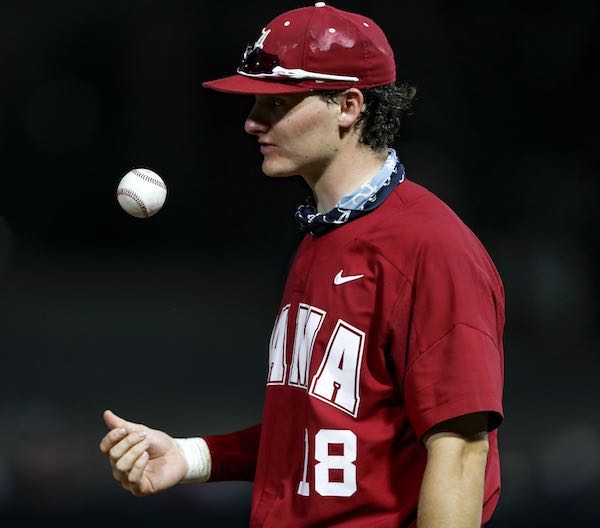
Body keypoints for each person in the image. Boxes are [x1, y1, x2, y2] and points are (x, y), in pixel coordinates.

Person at [99, 3, 505, 527]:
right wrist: (193, 456)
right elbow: (320, 431)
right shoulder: (325, 235)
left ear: (349, 105)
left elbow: (462, 451)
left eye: (278, 103)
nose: (251, 122)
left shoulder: (431, 247)